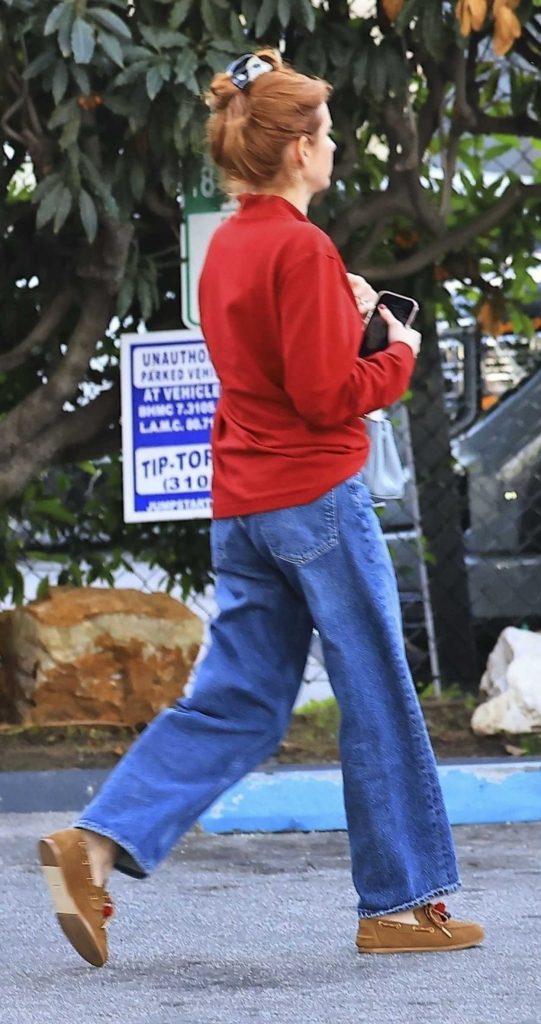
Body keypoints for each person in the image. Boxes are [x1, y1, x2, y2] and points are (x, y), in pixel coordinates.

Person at [39, 49, 484, 967]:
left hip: (241, 504)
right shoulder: (302, 245)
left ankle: (94, 845)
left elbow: (275, 369)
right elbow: (329, 397)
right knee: (378, 696)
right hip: (317, 500)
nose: (335, 147)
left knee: (240, 700)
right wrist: (394, 348)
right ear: (295, 151)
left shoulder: (232, 244)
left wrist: (344, 311)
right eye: (325, 135)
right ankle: (398, 906)